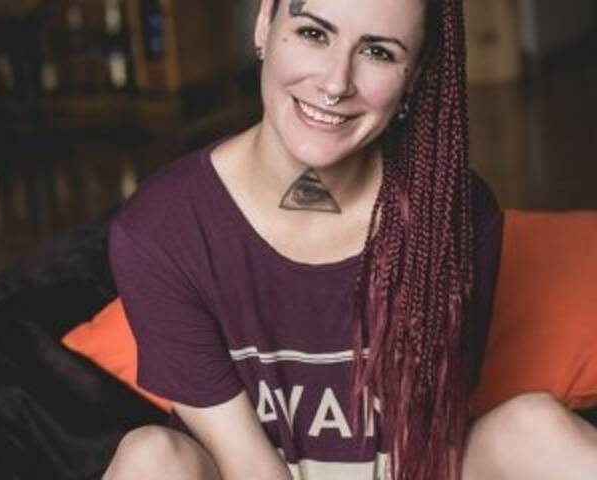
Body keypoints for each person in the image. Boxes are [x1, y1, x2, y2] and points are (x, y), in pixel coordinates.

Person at [103, 0, 597, 479]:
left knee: (537, 428)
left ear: (416, 73)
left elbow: (425, 445)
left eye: (378, 52)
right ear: (264, 23)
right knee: (151, 457)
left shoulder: (453, 213)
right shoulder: (159, 229)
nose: (336, 83)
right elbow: (249, 467)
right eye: (313, 33)